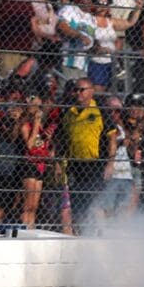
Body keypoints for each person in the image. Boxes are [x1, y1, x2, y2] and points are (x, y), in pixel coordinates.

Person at [57, 78, 109, 227]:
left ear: (91, 91)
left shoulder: (100, 111)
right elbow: (61, 139)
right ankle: (80, 230)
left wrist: (110, 163)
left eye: (82, 90)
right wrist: (59, 163)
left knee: (92, 200)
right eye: (76, 90)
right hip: (74, 164)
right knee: (75, 202)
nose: (78, 93)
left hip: (94, 164)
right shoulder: (68, 112)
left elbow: (112, 136)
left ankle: (96, 231)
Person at [88, 0, 141, 93]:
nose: (102, 7)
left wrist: (137, 8)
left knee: (110, 93)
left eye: (105, 5)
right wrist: (99, 48)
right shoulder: (91, 21)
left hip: (110, 62)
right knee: (98, 92)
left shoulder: (110, 21)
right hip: (96, 62)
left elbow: (130, 22)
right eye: (100, 4)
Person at [20, 93, 51, 228]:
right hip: (30, 164)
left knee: (34, 206)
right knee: (28, 204)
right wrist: (36, 124)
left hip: (40, 164)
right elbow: (29, 145)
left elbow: (42, 145)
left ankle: (31, 228)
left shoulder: (40, 127)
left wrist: (47, 138)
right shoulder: (26, 125)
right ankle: (24, 227)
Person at [56, 0, 98, 80]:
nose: (88, 0)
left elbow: (92, 42)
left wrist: (97, 48)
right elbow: (62, 26)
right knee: (65, 91)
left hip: (83, 66)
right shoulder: (69, 9)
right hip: (66, 62)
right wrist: (79, 35)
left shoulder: (93, 20)